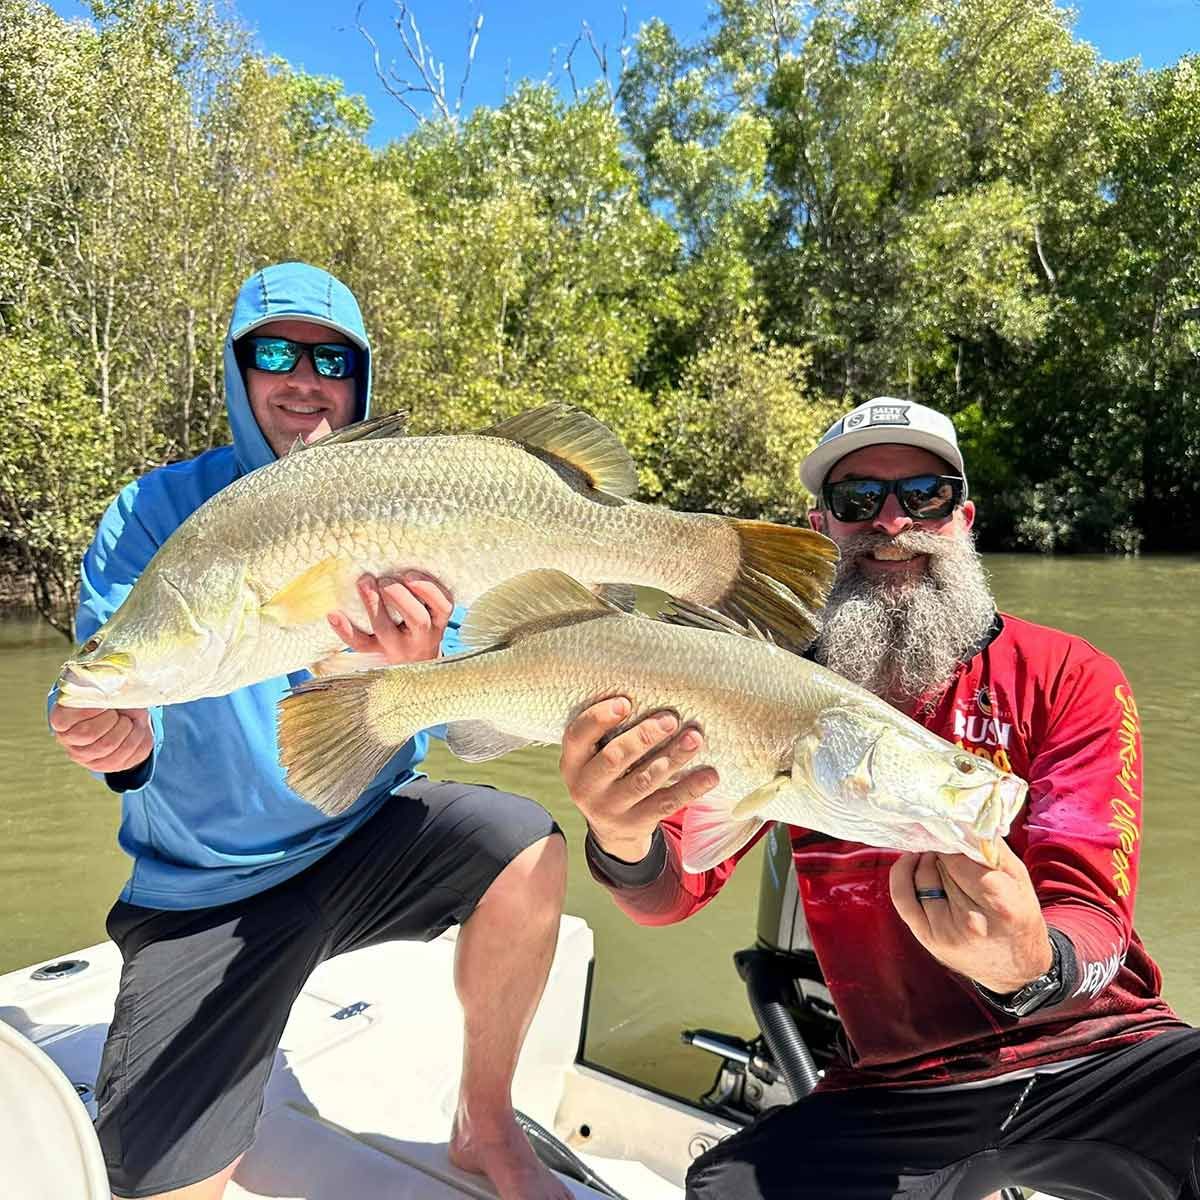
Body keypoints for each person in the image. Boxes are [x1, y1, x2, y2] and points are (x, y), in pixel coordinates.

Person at [561, 396, 1200, 1200]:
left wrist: (1032, 962)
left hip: (1100, 1051)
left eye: (923, 495)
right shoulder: (767, 686)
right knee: (728, 1188)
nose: (891, 523)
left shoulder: (1071, 675)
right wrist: (621, 836)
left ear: (963, 515)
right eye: (856, 500)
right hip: (896, 1083)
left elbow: (1095, 908)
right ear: (820, 526)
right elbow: (676, 888)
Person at [48, 261, 572, 1200]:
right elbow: (117, 679)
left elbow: (483, 716)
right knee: (160, 1185)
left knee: (525, 850)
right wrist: (120, 745)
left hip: (367, 838)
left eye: (332, 357)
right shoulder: (152, 516)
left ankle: (483, 1121)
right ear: (237, 373)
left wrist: (421, 675)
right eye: (276, 352)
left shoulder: (413, 504)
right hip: (206, 894)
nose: (305, 377)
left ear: (360, 379)